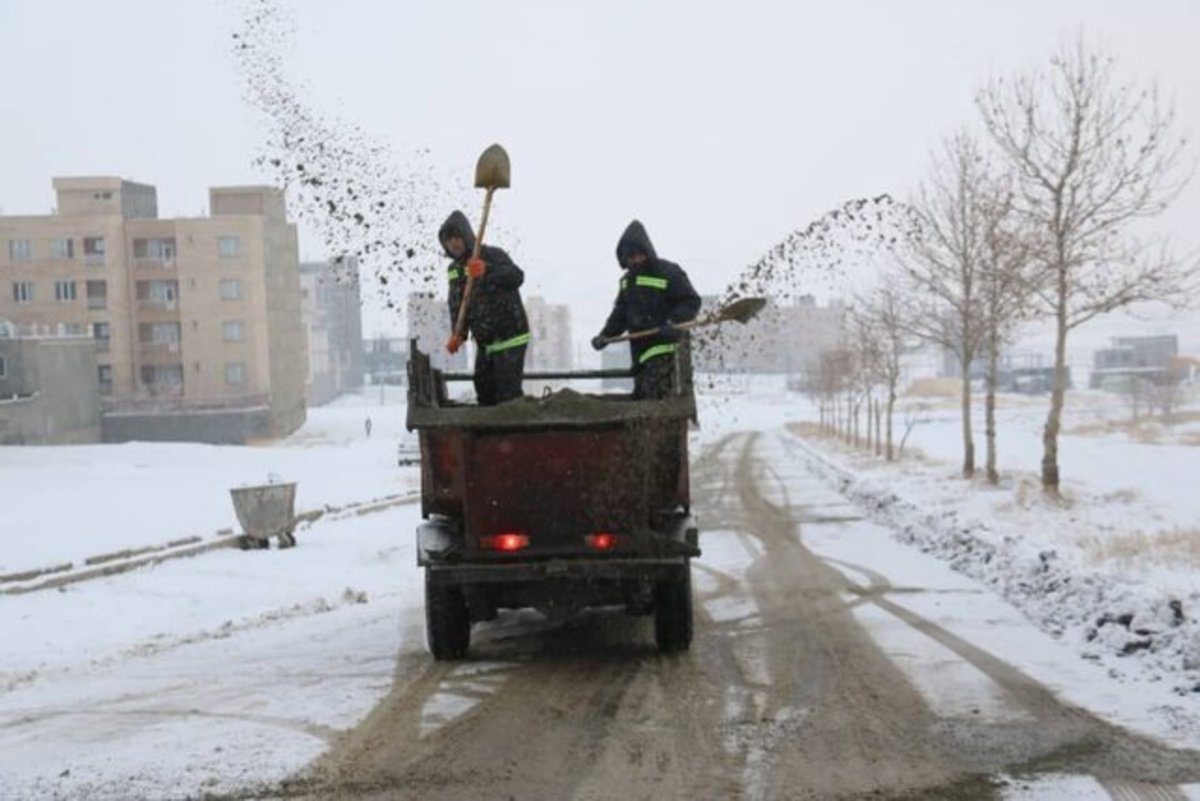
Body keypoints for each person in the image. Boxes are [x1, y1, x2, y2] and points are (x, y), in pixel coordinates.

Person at [591, 220, 701, 400]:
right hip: (640, 355)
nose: (635, 261)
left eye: (638, 256)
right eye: (630, 258)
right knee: (645, 401)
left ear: (647, 252)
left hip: (665, 350)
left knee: (656, 401)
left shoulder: (668, 272)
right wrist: (605, 336)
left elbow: (690, 301)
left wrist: (673, 322)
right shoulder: (627, 281)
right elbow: (620, 315)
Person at [439, 209, 530, 406]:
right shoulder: (454, 270)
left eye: (457, 237)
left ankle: (511, 434)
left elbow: (516, 276)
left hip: (510, 338)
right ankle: (492, 436)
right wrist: (459, 334)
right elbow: (456, 303)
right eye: (449, 240)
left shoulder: (491, 254)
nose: (454, 243)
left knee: (507, 396)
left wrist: (486, 270)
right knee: (484, 389)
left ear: (466, 236)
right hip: (485, 343)